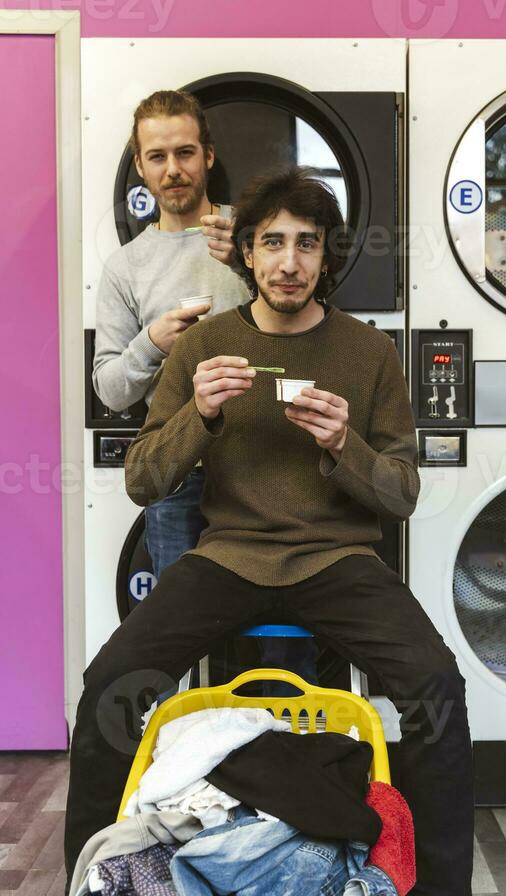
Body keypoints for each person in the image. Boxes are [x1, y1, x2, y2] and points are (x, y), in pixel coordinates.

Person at [1, 168, 506, 896]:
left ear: (325, 256)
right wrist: (200, 412)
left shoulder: (369, 352)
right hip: (229, 556)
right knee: (112, 679)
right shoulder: (204, 343)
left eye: (306, 243)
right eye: (271, 244)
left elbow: (401, 493)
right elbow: (145, 480)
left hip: (337, 561)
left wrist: (343, 446)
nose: (288, 261)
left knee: (436, 684)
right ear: (247, 256)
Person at [93, 90, 320, 680]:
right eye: (158, 156)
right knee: (178, 630)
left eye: (186, 152)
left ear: (209, 156)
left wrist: (248, 265)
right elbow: (110, 390)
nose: (173, 169)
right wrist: (154, 342)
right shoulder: (125, 268)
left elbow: (311, 330)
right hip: (179, 470)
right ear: (139, 166)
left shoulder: (258, 240)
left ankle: (286, 749)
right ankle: (186, 756)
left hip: (270, 463)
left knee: (286, 625)